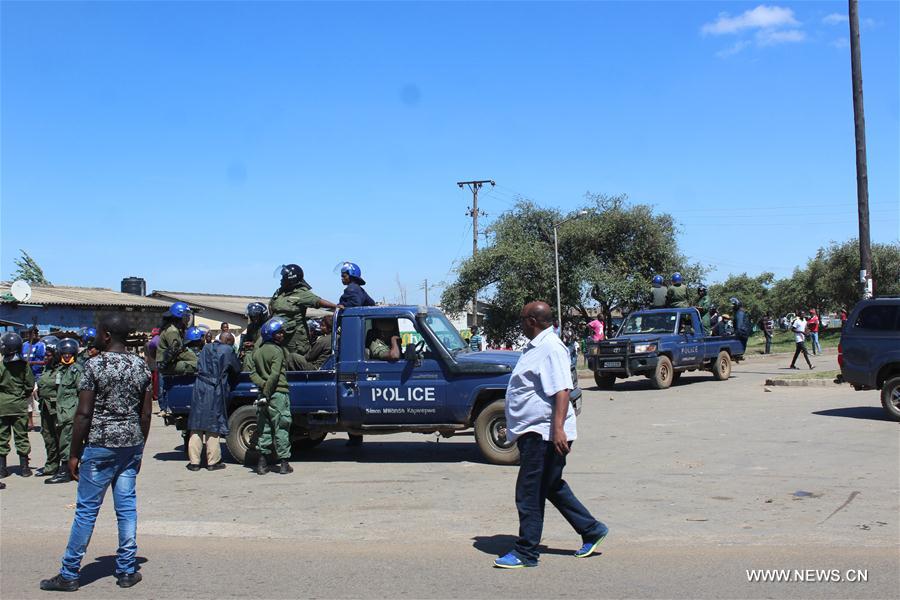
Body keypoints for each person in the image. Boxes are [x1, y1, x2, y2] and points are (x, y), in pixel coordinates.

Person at [39, 314, 152, 592]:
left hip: (100, 445)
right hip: (130, 445)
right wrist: (140, 447)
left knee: (87, 512)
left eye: (98, 331)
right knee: (126, 509)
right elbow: (146, 413)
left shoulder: (93, 365)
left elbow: (84, 414)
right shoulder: (141, 366)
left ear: (106, 336)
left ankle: (69, 574)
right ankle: (127, 570)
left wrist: (73, 453)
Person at [494, 301, 608, 569]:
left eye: (522, 318)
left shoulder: (550, 347)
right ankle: (592, 530)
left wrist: (557, 428)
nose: (520, 323)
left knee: (529, 491)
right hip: (536, 431)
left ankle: (526, 552)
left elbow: (562, 391)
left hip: (544, 433)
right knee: (550, 485)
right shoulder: (537, 347)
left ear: (532, 320)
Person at [186, 333, 241, 471]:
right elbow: (236, 369)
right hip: (214, 387)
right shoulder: (228, 350)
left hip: (199, 386)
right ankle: (213, 462)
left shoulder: (206, 347)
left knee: (196, 425)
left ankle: (194, 462)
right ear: (228, 341)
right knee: (213, 424)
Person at [269, 264, 341, 360]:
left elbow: (318, 301)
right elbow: (272, 306)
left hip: (294, 340)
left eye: (284, 277)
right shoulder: (279, 292)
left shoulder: (302, 293)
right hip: (279, 336)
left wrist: (335, 306)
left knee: (294, 363)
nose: (281, 279)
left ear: (291, 279)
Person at [250, 317, 292, 475]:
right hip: (278, 394)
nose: (282, 335)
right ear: (271, 335)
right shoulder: (277, 351)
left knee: (264, 429)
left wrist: (262, 388)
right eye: (279, 333)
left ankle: (262, 465)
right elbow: (274, 376)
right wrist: (267, 392)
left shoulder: (257, 351)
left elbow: (252, 374)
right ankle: (284, 464)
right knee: (281, 428)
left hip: (263, 395)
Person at [46, 338, 82, 484]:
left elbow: (81, 392)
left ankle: (66, 471)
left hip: (71, 411)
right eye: (64, 354)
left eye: (69, 354)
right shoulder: (61, 370)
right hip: (62, 410)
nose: (66, 356)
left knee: (67, 441)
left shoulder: (76, 370)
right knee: (63, 439)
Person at [0, 332, 35, 479]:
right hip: (19, 405)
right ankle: (25, 468)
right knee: (22, 436)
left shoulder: (1, 366)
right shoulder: (24, 365)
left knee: (2, 436)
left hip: (2, 405)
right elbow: (30, 385)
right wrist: (21, 395)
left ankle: (2, 468)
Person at [156, 302, 191, 413]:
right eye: (186, 315)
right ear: (180, 316)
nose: (188, 318)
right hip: (168, 364)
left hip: (167, 363)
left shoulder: (174, 329)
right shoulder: (172, 331)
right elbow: (175, 351)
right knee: (197, 365)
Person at [34, 338, 60, 477]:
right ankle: (51, 466)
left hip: (58, 409)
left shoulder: (63, 370)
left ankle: (66, 467)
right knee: (48, 437)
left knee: (61, 437)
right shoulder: (46, 368)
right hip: (45, 407)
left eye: (49, 355)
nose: (45, 357)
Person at [240, 302, 269, 371]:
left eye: (256, 316)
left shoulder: (268, 326)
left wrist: (253, 344)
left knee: (248, 357)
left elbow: (268, 343)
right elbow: (248, 340)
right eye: (252, 316)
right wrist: (243, 349)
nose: (254, 318)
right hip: (252, 351)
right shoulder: (251, 327)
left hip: (265, 352)